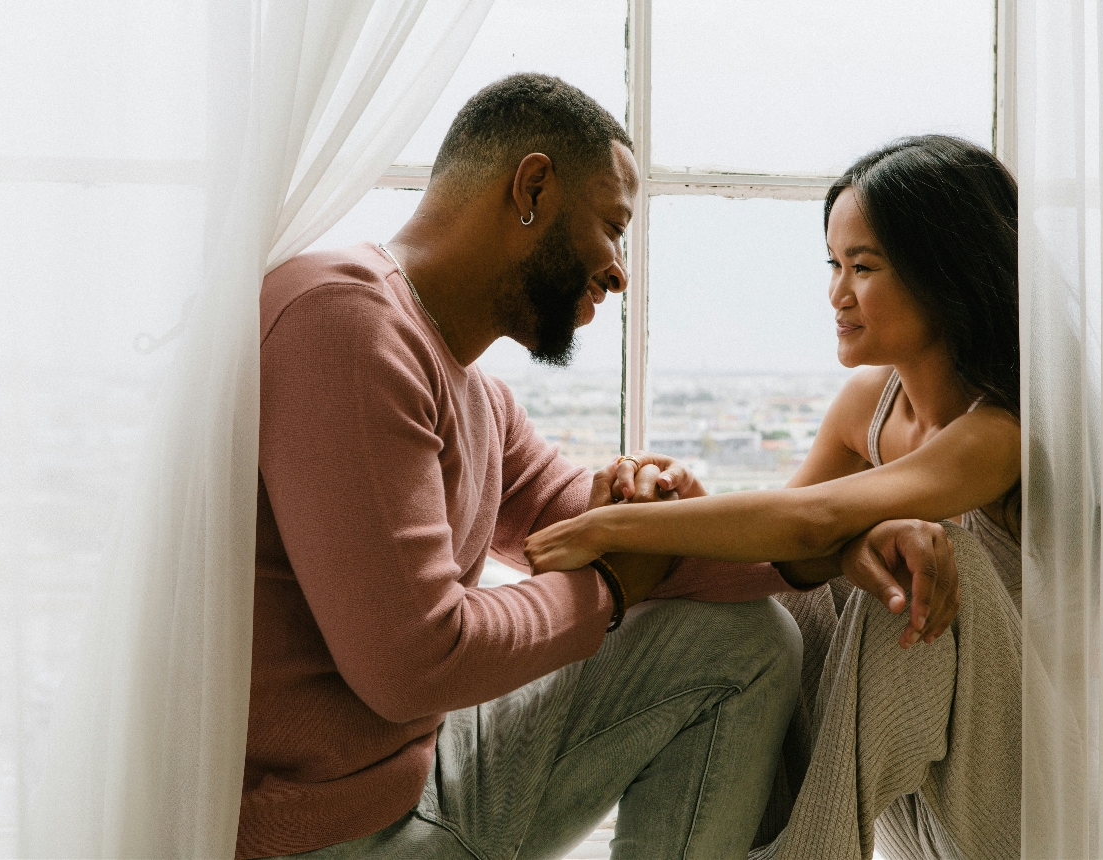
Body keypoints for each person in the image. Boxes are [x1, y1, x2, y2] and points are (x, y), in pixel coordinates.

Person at [242, 73, 820, 860]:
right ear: (533, 187)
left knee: (745, 642)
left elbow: (583, 525)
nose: (619, 271)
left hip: (420, 776)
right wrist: (613, 584)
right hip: (325, 836)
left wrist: (831, 546)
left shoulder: (476, 392)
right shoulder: (343, 324)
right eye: (613, 227)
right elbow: (415, 663)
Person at [525, 135, 1023, 859]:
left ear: (943, 275)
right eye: (834, 264)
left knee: (919, 557)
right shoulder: (868, 406)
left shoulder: (997, 433)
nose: (837, 294)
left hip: (1011, 784)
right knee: (817, 582)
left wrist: (608, 528)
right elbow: (784, 565)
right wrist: (687, 508)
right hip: (915, 784)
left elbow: (810, 520)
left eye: (864, 267)